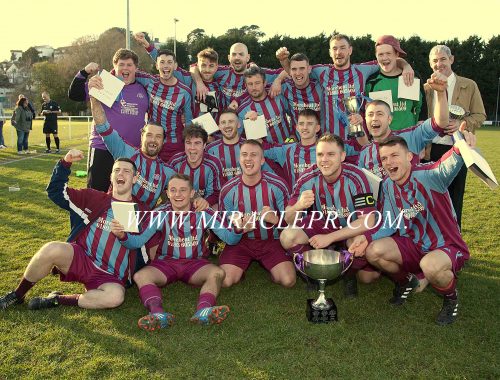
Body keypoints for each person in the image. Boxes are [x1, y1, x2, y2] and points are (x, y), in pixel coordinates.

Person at [349, 130, 475, 325]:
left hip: (445, 246)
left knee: (430, 266)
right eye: (384, 158)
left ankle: (451, 298)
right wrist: (366, 238)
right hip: (414, 244)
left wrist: (460, 147)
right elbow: (390, 223)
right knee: (373, 251)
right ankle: (405, 281)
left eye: (394, 156)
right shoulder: (389, 186)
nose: (389, 162)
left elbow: (448, 165)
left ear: (409, 157)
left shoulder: (429, 176)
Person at [0, 151, 143, 311]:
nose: (120, 173)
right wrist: (65, 163)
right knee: (51, 249)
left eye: (126, 171)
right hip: (82, 258)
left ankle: (58, 300)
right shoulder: (94, 198)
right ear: (111, 177)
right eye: (116, 170)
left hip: (110, 275)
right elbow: (56, 192)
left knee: (115, 297)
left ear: (135, 179)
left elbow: (146, 247)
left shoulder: (140, 211)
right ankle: (17, 295)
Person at [111, 174, 242, 330]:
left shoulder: (203, 212)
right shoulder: (160, 213)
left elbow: (231, 239)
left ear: (192, 193)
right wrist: (122, 235)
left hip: (195, 264)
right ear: (167, 193)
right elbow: (137, 241)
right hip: (166, 263)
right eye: (173, 190)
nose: (178, 195)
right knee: (141, 275)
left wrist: (239, 227)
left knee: (217, 273)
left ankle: (204, 310)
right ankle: (158, 314)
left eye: (183, 190)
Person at [279, 134, 376, 296]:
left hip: (349, 227)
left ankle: (349, 274)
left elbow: (368, 221)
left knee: (368, 276)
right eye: (320, 154)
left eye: (331, 154)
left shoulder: (356, 177)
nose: (324, 159)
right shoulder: (307, 178)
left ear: (342, 156)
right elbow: (287, 218)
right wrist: (298, 206)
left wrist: (330, 238)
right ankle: (311, 272)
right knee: (287, 237)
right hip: (322, 224)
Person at [277, 34, 414, 138]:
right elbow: (295, 71)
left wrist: (406, 66)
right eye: (335, 48)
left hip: (358, 139)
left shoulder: (362, 70)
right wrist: (281, 70)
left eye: (342, 48)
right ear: (330, 52)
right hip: (330, 140)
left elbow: (386, 60)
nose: (338, 52)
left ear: (350, 50)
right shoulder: (321, 72)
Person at [68, 49, 149, 191]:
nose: (125, 68)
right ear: (115, 66)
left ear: (136, 68)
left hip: (130, 152)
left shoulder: (144, 89)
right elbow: (74, 94)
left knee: (125, 194)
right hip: (102, 147)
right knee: (96, 192)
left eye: (129, 65)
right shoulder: (104, 83)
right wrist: (84, 72)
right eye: (121, 64)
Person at [218, 140, 296, 288]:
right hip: (241, 243)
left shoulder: (278, 185)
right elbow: (222, 226)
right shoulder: (228, 190)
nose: (248, 159)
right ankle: (239, 270)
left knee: (288, 281)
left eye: (253, 155)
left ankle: (273, 267)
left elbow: (292, 223)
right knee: (225, 281)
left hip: (271, 241)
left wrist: (276, 220)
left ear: (262, 160)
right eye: (244, 155)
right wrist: (237, 227)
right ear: (239, 159)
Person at [424, 45, 486, 228]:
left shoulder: (469, 85)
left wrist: (462, 123)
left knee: (454, 197)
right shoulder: (426, 88)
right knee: (431, 198)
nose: (439, 64)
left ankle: (455, 242)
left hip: (458, 149)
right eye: (434, 60)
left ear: (451, 59)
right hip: (430, 149)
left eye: (443, 59)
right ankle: (432, 240)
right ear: (430, 63)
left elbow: (480, 115)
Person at [357, 71, 451, 179]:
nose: (374, 118)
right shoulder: (364, 154)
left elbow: (440, 122)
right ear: (365, 120)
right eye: (370, 115)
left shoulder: (410, 136)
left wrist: (441, 93)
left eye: (380, 114)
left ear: (389, 119)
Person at [134, 33, 222, 123]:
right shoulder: (188, 78)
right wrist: (147, 45)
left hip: (198, 132)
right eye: (203, 65)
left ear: (216, 67)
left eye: (211, 66)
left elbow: (207, 118)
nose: (207, 69)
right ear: (197, 65)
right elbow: (164, 61)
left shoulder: (213, 88)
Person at [192, 42, 283, 108]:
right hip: (225, 125)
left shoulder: (257, 73)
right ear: (229, 57)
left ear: (247, 57)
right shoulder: (219, 71)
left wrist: (278, 80)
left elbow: (288, 71)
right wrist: (199, 83)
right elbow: (194, 67)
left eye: (241, 54)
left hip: (249, 122)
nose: (237, 57)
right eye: (234, 54)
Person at [366, 35, 426, 131]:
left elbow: (421, 109)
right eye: (380, 54)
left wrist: (422, 138)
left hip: (409, 138)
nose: (385, 58)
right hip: (384, 141)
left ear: (396, 54)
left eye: (388, 53)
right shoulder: (371, 82)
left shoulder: (411, 76)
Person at [263, 109, 321, 188]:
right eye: (301, 124)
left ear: (317, 128)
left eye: (310, 124)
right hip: (295, 200)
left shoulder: (325, 150)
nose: (305, 127)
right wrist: (252, 122)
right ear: (297, 127)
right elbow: (258, 148)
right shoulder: (287, 150)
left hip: (321, 199)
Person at [169, 124, 224, 208]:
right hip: (180, 205)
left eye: (197, 143)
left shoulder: (213, 163)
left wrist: (205, 201)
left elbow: (217, 193)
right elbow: (168, 189)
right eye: (188, 143)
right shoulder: (175, 162)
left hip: (203, 206)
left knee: (216, 207)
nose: (192, 148)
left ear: (204, 145)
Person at [236, 66, 293, 144]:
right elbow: (238, 137)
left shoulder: (277, 97)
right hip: (264, 153)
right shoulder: (243, 110)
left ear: (265, 83)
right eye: (250, 84)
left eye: (257, 83)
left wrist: (292, 139)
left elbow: (294, 116)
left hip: (287, 147)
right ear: (246, 86)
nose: (254, 87)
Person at [272, 53, 323, 129]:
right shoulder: (285, 87)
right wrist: (277, 80)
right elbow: (259, 89)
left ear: (309, 69)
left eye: (302, 68)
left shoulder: (321, 86)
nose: (298, 73)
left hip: (322, 139)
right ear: (290, 71)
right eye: (294, 69)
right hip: (297, 139)